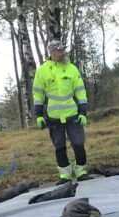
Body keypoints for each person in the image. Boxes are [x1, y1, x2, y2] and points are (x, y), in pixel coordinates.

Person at [33, 40, 89, 181]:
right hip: (53, 117)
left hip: (72, 115)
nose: (63, 53)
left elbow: (81, 92)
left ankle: (81, 172)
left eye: (64, 50)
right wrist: (39, 115)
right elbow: (38, 94)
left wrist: (83, 112)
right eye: (60, 51)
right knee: (59, 147)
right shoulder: (42, 71)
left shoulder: (72, 69)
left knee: (78, 144)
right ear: (52, 52)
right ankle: (65, 175)